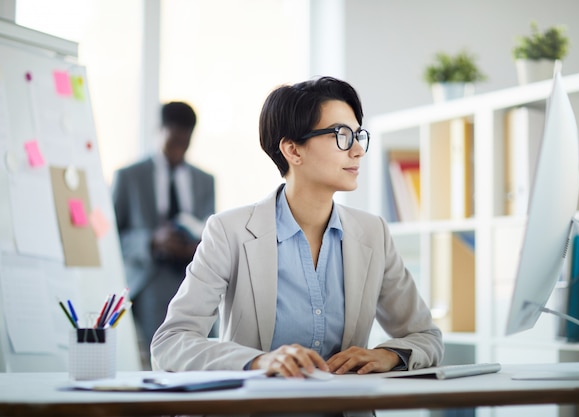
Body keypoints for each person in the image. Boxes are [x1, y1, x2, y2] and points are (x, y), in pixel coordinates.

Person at [151, 77, 442, 384]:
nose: (357, 150)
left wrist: (390, 355)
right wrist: (258, 361)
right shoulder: (229, 232)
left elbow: (426, 336)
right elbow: (170, 342)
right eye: (342, 135)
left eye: (358, 135)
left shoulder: (373, 234)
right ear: (293, 150)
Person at [112, 101, 216, 364]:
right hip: (150, 278)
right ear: (159, 131)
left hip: (193, 274)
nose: (178, 149)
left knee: (202, 353)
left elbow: (210, 229)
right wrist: (151, 241)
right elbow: (111, 237)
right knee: (158, 359)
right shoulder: (129, 177)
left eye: (185, 142)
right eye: (173, 142)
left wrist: (197, 246)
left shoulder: (205, 180)